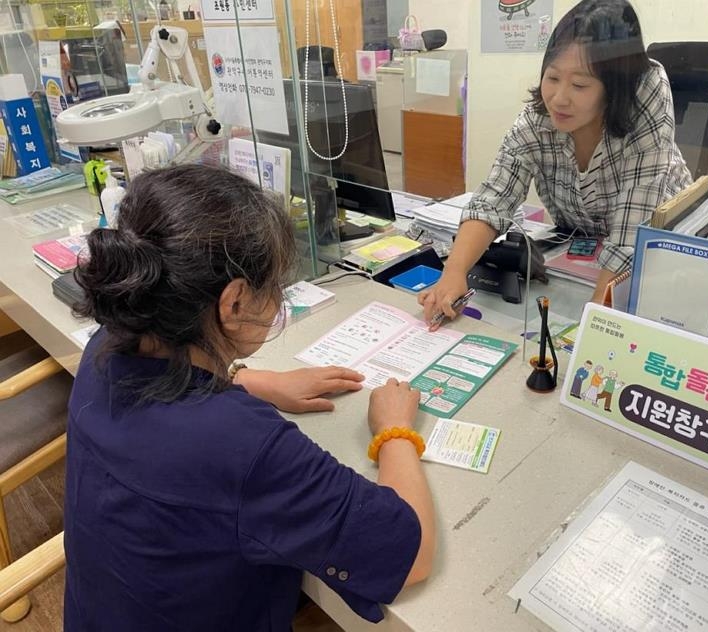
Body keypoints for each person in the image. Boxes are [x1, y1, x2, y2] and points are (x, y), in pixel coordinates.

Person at [65, 164, 435, 631]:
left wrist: (249, 378)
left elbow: (172, 413)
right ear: (234, 302)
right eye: (276, 287)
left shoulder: (110, 341)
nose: (278, 300)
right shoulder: (243, 446)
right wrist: (395, 432)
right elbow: (410, 554)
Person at [420, 0, 692, 326]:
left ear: (614, 88)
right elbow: (495, 197)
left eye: (579, 85)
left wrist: (594, 326)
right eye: (552, 77)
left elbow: (632, 234)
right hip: (579, 256)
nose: (559, 98)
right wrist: (454, 272)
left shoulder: (644, 98)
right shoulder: (538, 118)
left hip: (659, 259)